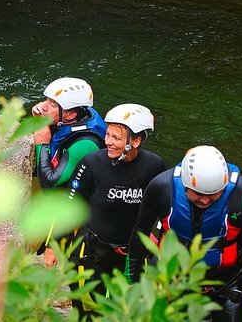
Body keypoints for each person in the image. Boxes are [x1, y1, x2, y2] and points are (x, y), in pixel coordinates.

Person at [126, 145, 242, 322]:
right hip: (173, 282)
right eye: (198, 194)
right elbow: (140, 233)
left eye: (214, 194)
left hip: (226, 285)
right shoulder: (161, 188)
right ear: (185, 184)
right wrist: (133, 284)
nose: (205, 200)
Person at [62, 103, 167, 313]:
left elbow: (165, 214)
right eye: (108, 134)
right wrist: (55, 246)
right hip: (92, 253)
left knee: (130, 314)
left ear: (136, 141)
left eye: (116, 138)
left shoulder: (154, 167)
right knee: (87, 313)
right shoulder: (92, 163)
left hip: (133, 257)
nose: (107, 141)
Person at [31, 77, 106, 261]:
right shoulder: (75, 116)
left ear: (71, 114)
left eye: (52, 104)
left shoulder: (85, 144)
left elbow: (51, 183)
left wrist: (42, 144)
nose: (43, 106)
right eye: (46, 100)